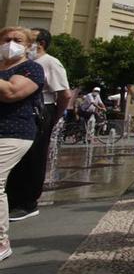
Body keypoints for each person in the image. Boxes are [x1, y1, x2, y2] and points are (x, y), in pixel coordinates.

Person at [6, 28, 70, 222]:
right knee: (17, 158)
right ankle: (13, 199)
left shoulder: (50, 62)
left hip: (43, 109)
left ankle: (28, 202)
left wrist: (54, 117)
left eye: (26, 40)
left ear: (39, 44)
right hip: (21, 111)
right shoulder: (20, 62)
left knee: (34, 157)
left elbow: (64, 94)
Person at [0, 26, 44, 262]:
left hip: (13, 133)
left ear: (28, 46)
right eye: (6, 39)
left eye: (17, 40)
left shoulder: (31, 68)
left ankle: (1, 242)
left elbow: (11, 92)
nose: (10, 43)